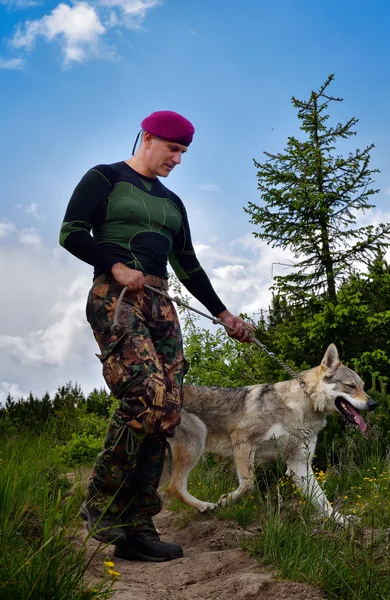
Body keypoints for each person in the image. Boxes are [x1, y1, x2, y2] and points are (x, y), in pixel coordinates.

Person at [59, 110, 253, 562]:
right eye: (173, 149)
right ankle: (101, 501)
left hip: (162, 304)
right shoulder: (104, 178)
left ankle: (138, 527)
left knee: (167, 411)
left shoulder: (173, 203)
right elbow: (70, 233)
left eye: (184, 152)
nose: (178, 159)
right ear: (147, 138)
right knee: (145, 393)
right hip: (117, 296)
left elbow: (190, 265)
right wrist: (115, 264)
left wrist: (224, 314)